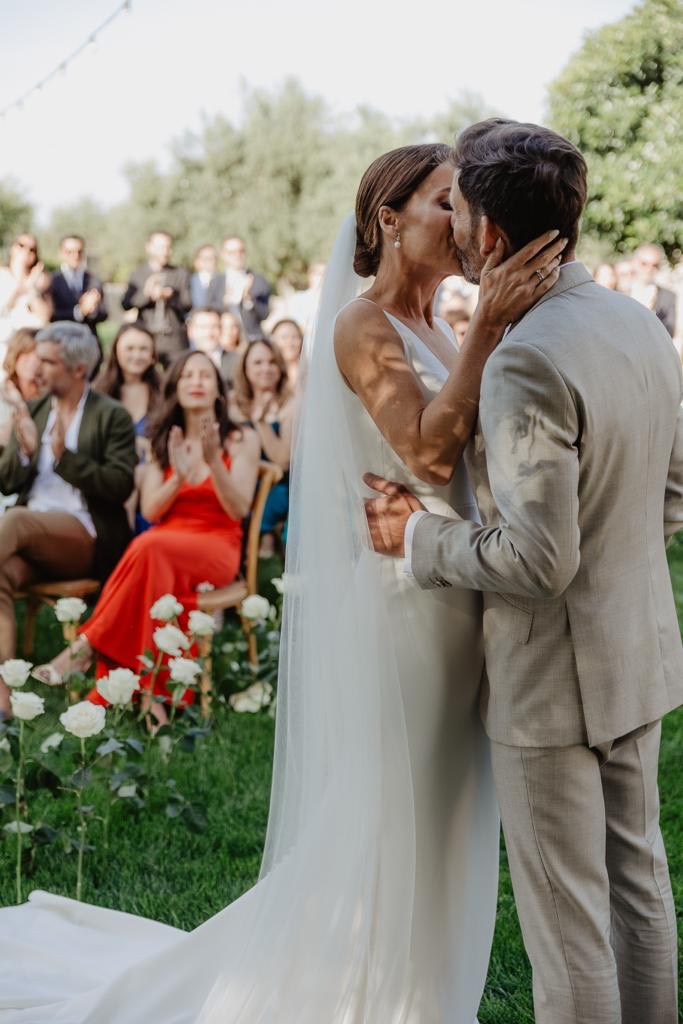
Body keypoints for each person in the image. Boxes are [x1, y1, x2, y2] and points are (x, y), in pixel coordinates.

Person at [0, 143, 562, 1022]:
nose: (464, 220)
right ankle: (358, 987)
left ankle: (419, 990)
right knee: (395, 812)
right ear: (389, 218)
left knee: (448, 811)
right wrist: (491, 324)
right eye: (445, 202)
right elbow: (422, 450)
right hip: (410, 606)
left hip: (454, 580)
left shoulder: (441, 324)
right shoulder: (363, 324)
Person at [365, 120, 683, 1024]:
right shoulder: (633, 318)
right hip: (637, 650)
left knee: (568, 925)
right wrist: (618, 560)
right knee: (637, 885)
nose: (451, 222)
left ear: (491, 236)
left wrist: (414, 541)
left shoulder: (525, 358)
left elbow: (537, 562)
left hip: (554, 681)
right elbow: (673, 483)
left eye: (456, 206)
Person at [34, 350, 260, 730]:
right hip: (167, 542)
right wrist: (178, 476)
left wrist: (213, 461)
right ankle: (153, 699)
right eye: (187, 375)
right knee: (152, 551)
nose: (196, 381)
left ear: (219, 392)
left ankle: (87, 648)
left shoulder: (240, 439)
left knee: (148, 547)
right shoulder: (162, 437)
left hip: (217, 544)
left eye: (205, 375)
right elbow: (153, 512)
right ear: (175, 388)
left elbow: (238, 509)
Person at [0, 322, 136, 721]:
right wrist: (22, 450)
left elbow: (119, 485)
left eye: (48, 361)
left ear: (78, 369)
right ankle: (3, 698)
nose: (37, 369)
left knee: (18, 519)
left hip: (84, 535)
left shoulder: (112, 416)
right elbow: (6, 481)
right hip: (27, 536)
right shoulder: (37, 408)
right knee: (2, 574)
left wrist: (65, 459)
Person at [94, 324, 161, 532]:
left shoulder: (164, 393)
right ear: (116, 351)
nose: (137, 355)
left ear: (152, 356)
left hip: (153, 476)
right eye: (130, 348)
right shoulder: (98, 393)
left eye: (143, 349)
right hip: (111, 475)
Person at [231, 339, 294, 557]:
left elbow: (283, 461)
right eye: (257, 362)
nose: (265, 368)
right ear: (245, 368)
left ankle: (262, 560)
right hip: (238, 480)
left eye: (272, 362)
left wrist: (261, 423)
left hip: (277, 485)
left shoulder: (290, 404)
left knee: (265, 505)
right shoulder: (232, 404)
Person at [122, 231, 191, 367]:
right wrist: (147, 296)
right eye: (160, 247)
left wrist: (171, 296)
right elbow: (126, 304)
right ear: (149, 248)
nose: (165, 251)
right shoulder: (138, 274)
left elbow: (187, 304)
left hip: (174, 340)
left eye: (168, 247)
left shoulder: (180, 273)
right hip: (146, 336)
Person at [207, 235, 271, 339]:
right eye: (231, 252)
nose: (237, 255)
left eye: (241, 251)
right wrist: (225, 303)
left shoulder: (258, 280)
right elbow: (210, 312)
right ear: (223, 255)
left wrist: (248, 299)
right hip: (224, 340)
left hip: (252, 338)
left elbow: (264, 314)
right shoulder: (215, 282)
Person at [0, 234, 52, 360]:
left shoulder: (41, 280)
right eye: (21, 245)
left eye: (32, 249)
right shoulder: (3, 275)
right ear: (12, 248)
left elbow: (45, 318)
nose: (26, 251)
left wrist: (32, 288)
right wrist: (22, 284)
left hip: (30, 349)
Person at [49, 234, 108, 338]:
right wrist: (80, 311)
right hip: (62, 339)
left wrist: (92, 310)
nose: (75, 256)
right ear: (61, 253)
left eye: (79, 252)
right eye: (69, 252)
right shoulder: (52, 281)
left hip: (89, 340)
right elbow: (51, 314)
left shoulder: (94, 280)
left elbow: (104, 313)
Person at [631, 242, 677, 337]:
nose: (649, 269)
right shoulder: (620, 291)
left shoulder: (668, 296)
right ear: (635, 263)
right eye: (644, 264)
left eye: (654, 265)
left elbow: (669, 333)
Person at [270, 318, 304, 388]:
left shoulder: (310, 371)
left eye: (294, 337)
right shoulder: (267, 373)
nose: (289, 342)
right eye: (284, 337)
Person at [190, 243, 218, 309]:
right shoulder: (189, 281)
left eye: (211, 258)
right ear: (196, 261)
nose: (208, 262)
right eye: (205, 258)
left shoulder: (222, 280)